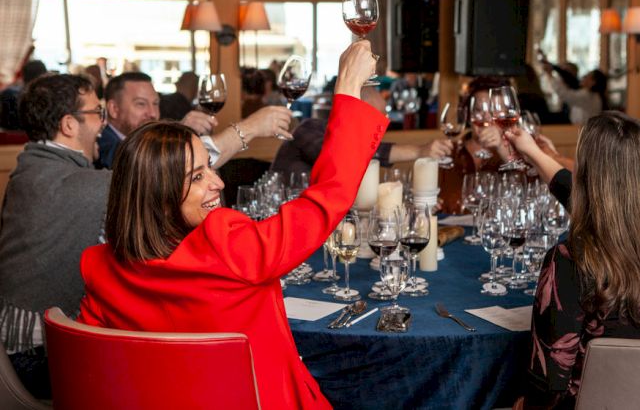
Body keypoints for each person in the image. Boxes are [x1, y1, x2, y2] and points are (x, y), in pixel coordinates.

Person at [77, 41, 384, 409]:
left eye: (210, 166)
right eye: (196, 177)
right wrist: (348, 90)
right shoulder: (228, 247)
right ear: (157, 196)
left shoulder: (100, 268)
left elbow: (94, 368)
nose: (218, 183)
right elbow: (326, 200)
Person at [507, 113, 640, 409]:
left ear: (585, 175)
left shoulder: (570, 261)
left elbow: (550, 382)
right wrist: (532, 151)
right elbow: (601, 199)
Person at [0, 74, 110, 398]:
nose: (102, 124)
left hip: (14, 349)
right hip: (35, 358)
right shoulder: (71, 184)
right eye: (96, 112)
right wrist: (242, 133)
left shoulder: (30, 169)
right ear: (69, 125)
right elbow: (155, 179)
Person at [97, 71, 292, 170]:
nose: (151, 113)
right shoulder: (102, 144)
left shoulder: (141, 133)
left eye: (156, 103)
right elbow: (152, 163)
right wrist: (177, 137)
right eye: (141, 104)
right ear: (113, 108)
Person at [271, 85, 452, 184]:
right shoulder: (308, 129)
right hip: (278, 226)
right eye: (375, 120)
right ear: (351, 114)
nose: (380, 128)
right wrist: (418, 151)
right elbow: (338, 157)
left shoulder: (357, 148)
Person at [438, 76, 511, 213]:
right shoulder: (448, 153)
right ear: (468, 115)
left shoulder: (517, 153)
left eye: (494, 112)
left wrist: (501, 147)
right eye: (478, 110)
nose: (486, 118)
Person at [0, 60, 47, 130]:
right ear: (43, 76)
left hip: (6, 137)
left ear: (23, 76)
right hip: (37, 138)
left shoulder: (8, 93)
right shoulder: (48, 96)